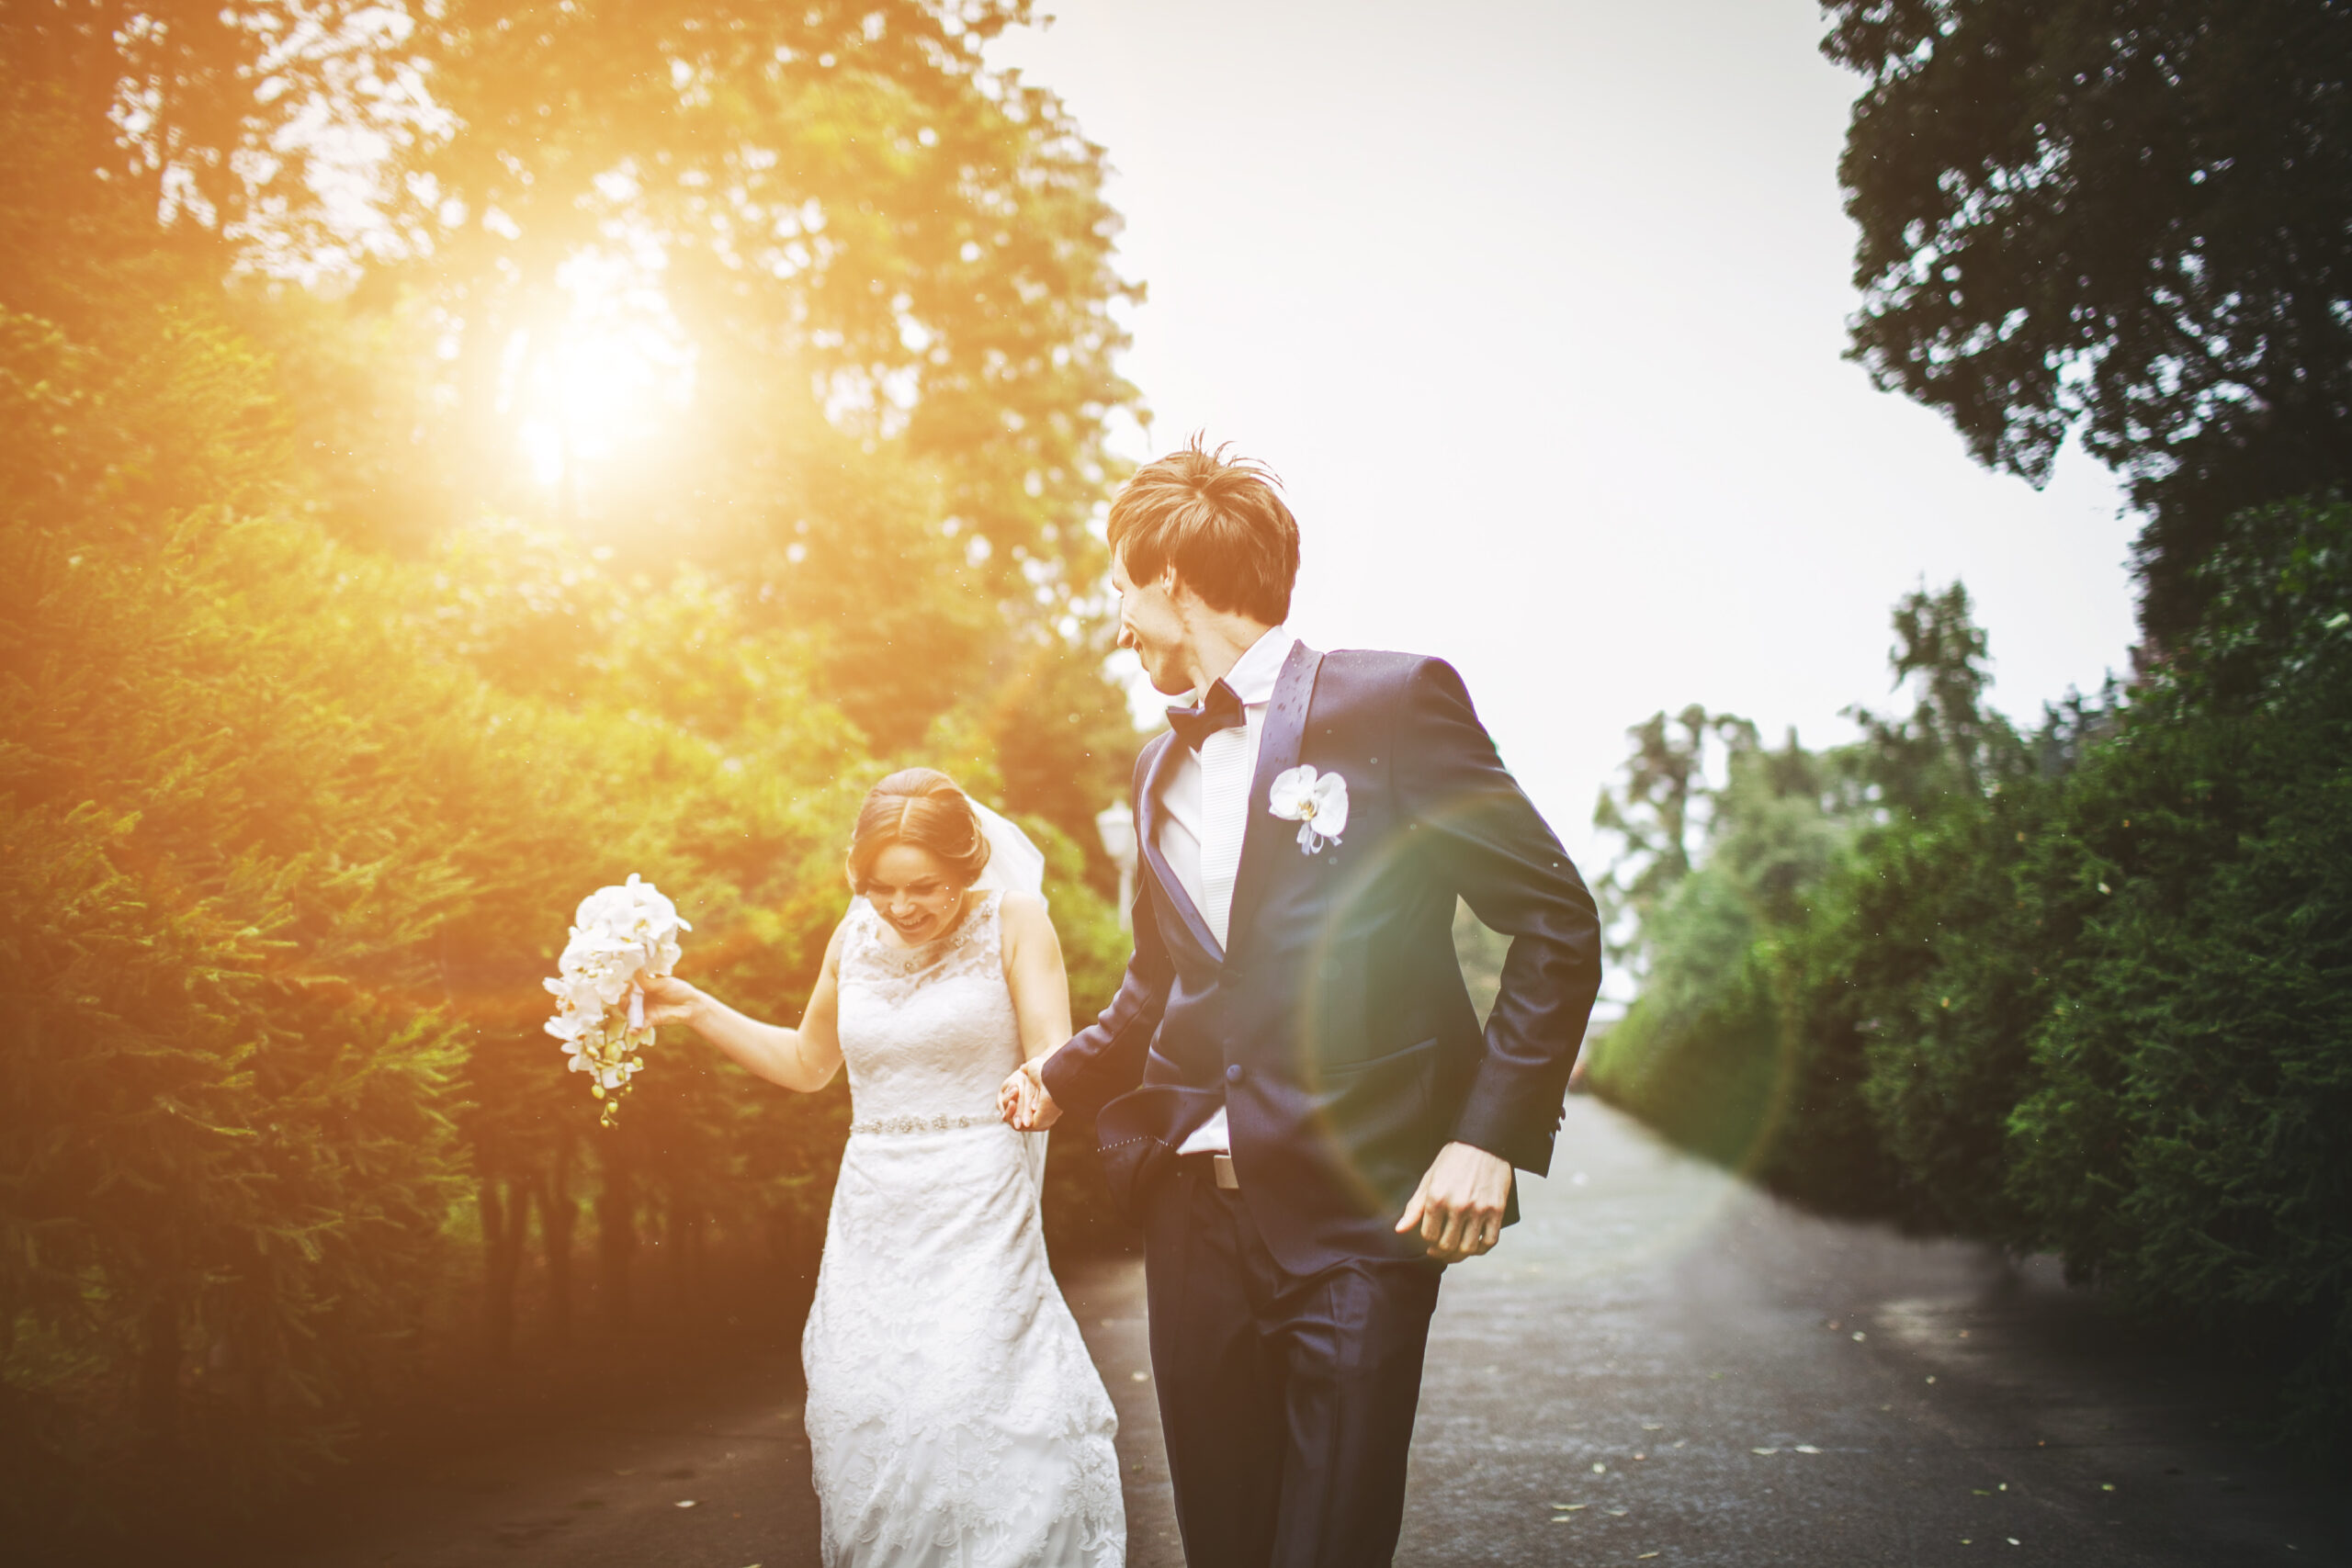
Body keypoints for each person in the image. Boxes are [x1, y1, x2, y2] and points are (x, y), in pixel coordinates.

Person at [1001, 440, 1601, 1568]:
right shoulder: (1153, 765)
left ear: (1172, 580)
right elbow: (1161, 978)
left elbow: (1557, 922)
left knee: (1328, 1545)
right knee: (1224, 1547)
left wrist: (1488, 1137)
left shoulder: (1395, 702)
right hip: (1192, 1218)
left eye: (1123, 589)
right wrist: (1055, 1076)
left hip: (1356, 1216)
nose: (1117, 621)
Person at [643, 769, 1124, 1568]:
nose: (902, 908)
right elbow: (806, 1063)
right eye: (881, 888)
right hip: (873, 1205)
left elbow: (1051, 1051)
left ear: (968, 867)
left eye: (924, 887)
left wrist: (1038, 1084)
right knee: (866, 1405)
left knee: (971, 1400)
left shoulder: (1016, 920)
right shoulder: (852, 937)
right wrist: (697, 1007)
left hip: (980, 1193)